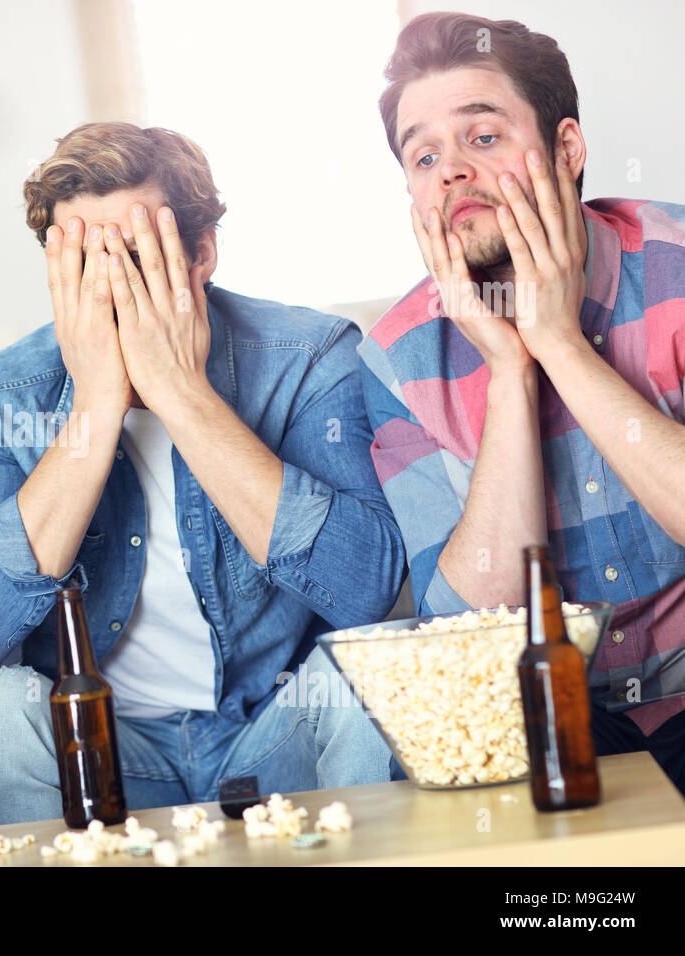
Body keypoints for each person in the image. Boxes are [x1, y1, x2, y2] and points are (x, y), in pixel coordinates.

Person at [0, 122, 405, 827]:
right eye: (87, 260)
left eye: (135, 255)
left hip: (273, 740)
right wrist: (94, 407)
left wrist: (183, 394)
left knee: (375, 667)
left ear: (201, 254)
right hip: (99, 754)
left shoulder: (308, 356)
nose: (111, 286)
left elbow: (365, 591)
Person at [360, 12, 685, 792]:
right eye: (425, 155)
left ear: (566, 150)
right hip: (550, 723)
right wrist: (512, 369)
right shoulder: (398, 361)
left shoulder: (677, 268)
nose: (451, 173)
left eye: (483, 138)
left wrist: (563, 345)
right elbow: (474, 642)